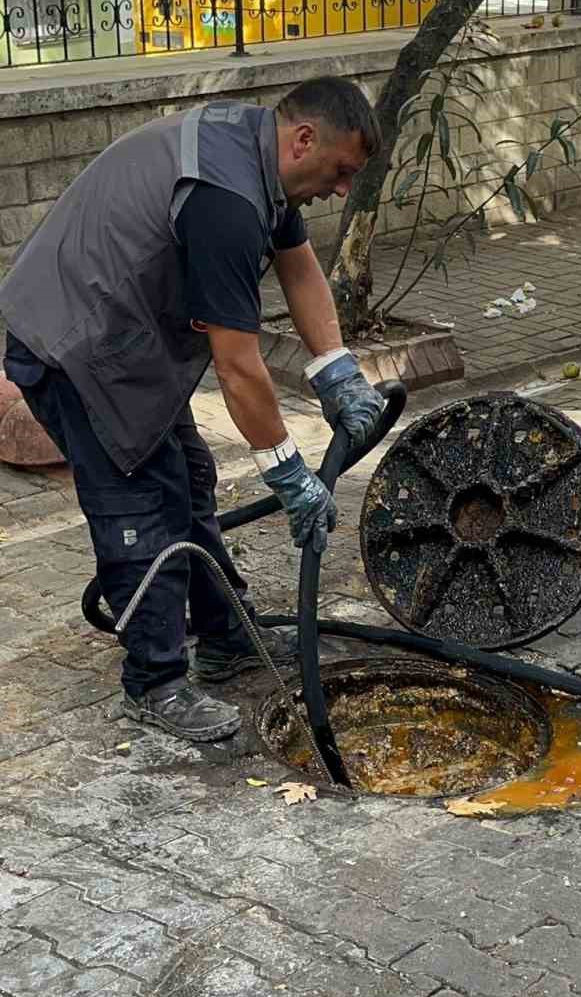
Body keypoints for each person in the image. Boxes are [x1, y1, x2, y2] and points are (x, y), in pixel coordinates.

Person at [1, 77, 384, 743]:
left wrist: (338, 371)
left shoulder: (258, 157)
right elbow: (239, 368)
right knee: (139, 504)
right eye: (342, 172)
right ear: (303, 140)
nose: (342, 190)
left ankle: (226, 638)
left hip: (129, 339)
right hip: (78, 341)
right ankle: (154, 683)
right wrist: (290, 476)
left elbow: (298, 267)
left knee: (191, 481)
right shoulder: (226, 201)